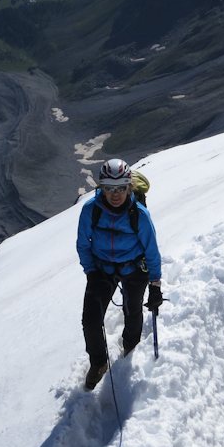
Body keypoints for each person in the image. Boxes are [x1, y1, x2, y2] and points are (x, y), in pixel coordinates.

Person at [76, 158, 163, 390]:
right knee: (91, 320)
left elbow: (152, 251)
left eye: (121, 188)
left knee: (132, 310)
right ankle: (98, 362)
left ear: (129, 187)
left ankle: (130, 347)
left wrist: (155, 285)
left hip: (134, 268)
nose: (115, 194)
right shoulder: (90, 211)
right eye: (109, 189)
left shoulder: (139, 214)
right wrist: (91, 271)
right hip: (101, 270)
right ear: (101, 188)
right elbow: (83, 244)